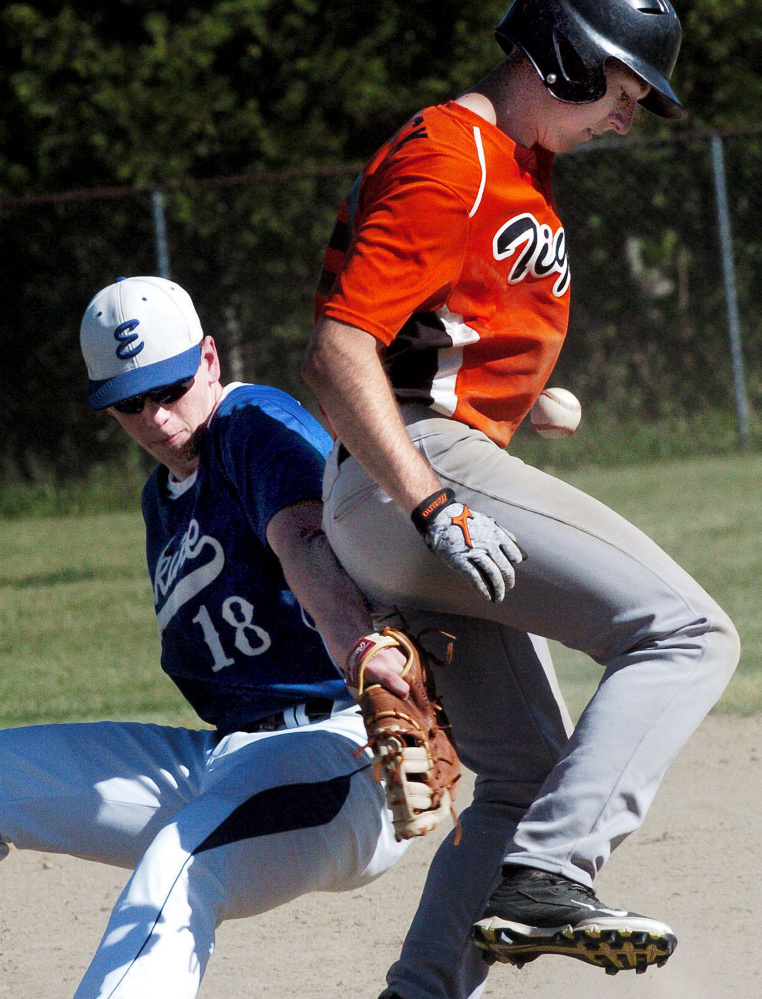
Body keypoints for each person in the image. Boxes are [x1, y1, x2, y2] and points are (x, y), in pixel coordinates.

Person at [302, 1, 740, 997]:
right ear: (567, 60)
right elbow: (336, 349)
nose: (627, 117)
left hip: (410, 472)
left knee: (523, 774)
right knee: (686, 632)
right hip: (414, 477)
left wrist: (518, 397)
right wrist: (431, 503)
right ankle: (555, 874)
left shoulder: (513, 163)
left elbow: (426, 332)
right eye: (623, 91)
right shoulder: (451, 155)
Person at [0, 275, 410, 999]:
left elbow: (303, 539)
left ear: (211, 359)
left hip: (342, 751)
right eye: (131, 402)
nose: (157, 417)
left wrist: (361, 651)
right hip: (229, 758)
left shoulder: (251, 425)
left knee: (179, 869)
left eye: (172, 387)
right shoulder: (160, 499)